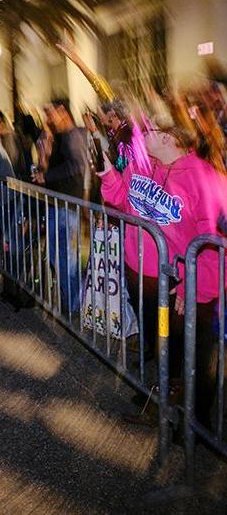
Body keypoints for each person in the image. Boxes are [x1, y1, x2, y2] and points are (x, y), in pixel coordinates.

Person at [99, 123, 227, 427]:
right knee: (161, 342)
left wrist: (193, 288)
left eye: (149, 132)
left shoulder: (203, 179)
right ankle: (163, 399)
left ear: (168, 137)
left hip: (181, 287)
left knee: (192, 358)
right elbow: (122, 201)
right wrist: (107, 174)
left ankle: (193, 428)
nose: (141, 138)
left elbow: (213, 247)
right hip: (144, 276)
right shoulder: (142, 164)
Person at [32, 99, 90, 315]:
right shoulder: (59, 137)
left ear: (62, 111)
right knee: (59, 257)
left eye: (50, 113)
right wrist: (44, 154)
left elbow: (77, 166)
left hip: (67, 206)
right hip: (57, 204)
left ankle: (76, 304)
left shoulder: (73, 135)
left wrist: (46, 175)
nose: (48, 118)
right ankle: (74, 300)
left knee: (67, 258)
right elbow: (50, 166)